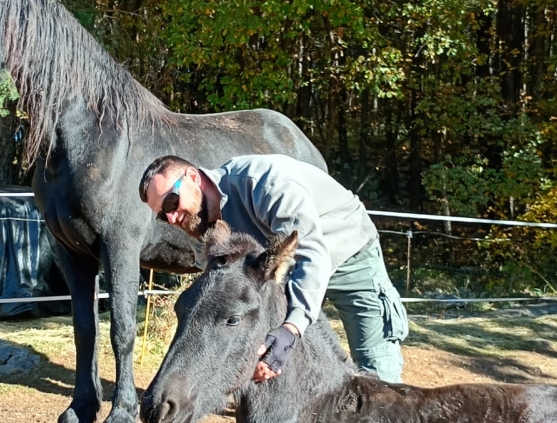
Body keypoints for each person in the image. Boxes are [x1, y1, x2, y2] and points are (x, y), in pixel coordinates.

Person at [139, 153, 408, 383]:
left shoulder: (264, 184)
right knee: (279, 369)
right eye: (163, 215)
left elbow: (311, 254)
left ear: (193, 178)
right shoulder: (203, 228)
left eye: (172, 202)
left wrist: (290, 329)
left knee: (378, 375)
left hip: (349, 256)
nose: (172, 217)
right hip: (285, 279)